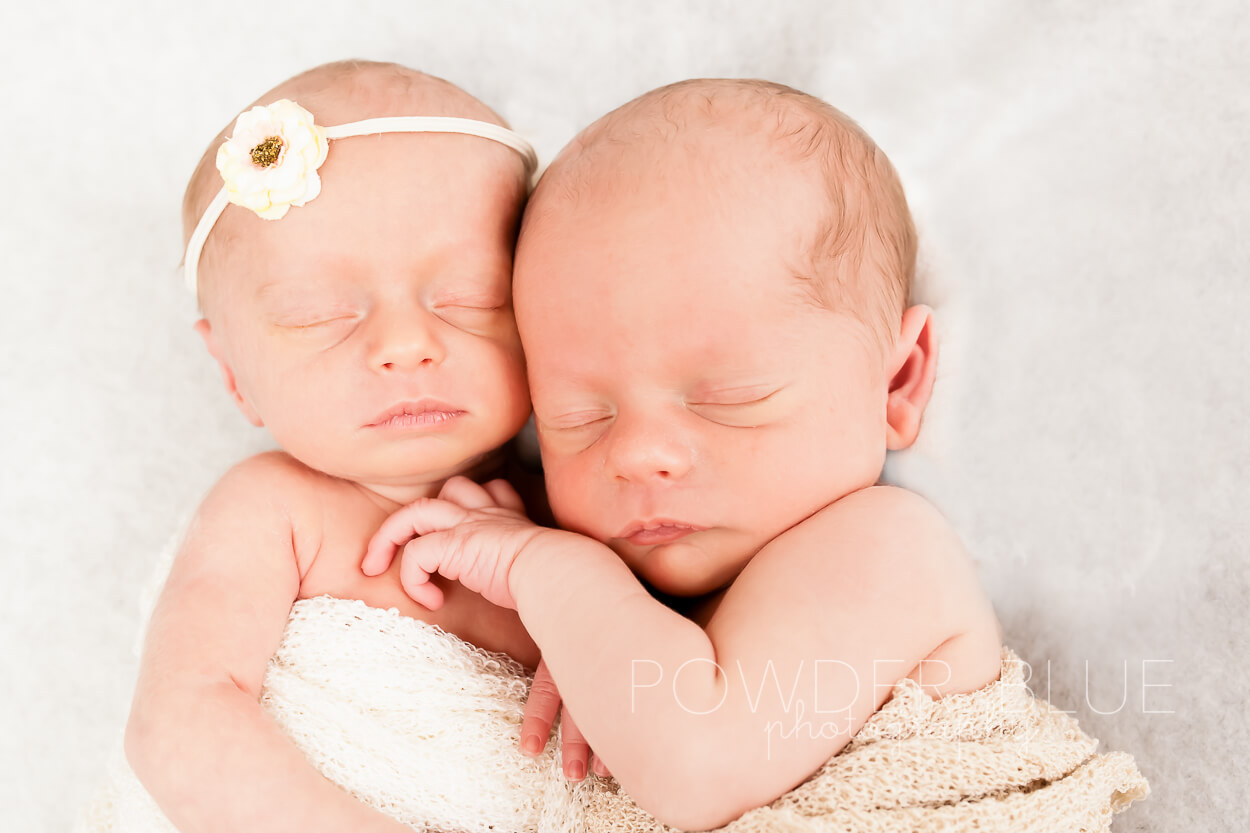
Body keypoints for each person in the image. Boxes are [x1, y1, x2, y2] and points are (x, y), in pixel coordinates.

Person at [363, 78, 1005, 831]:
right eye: (578, 418)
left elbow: (697, 764)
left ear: (897, 381)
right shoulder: (644, 600)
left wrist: (545, 572)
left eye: (727, 399)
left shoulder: (891, 550)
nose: (638, 455)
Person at [119, 59, 547, 833]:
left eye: (471, 297)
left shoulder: (571, 507)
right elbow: (178, 726)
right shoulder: (273, 509)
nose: (407, 343)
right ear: (232, 374)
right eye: (320, 315)